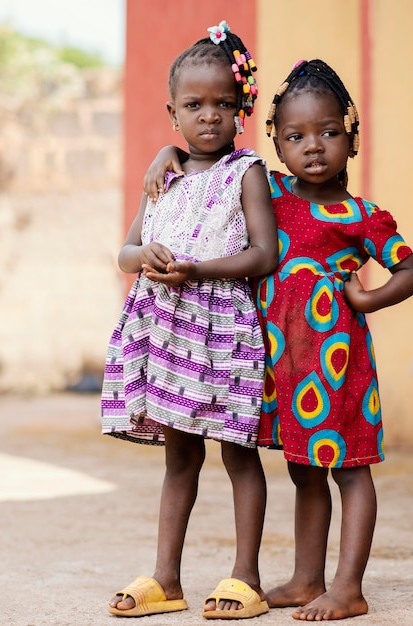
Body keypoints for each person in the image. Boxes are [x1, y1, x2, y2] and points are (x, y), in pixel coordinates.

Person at [143, 58, 413, 621]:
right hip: (282, 371)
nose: (313, 146)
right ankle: (306, 577)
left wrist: (365, 300)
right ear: (276, 143)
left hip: (338, 370)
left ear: (351, 137)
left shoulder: (362, 217)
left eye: (329, 132)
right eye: (296, 136)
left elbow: (409, 269)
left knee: (350, 469)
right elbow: (210, 165)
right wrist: (165, 155)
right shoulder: (271, 195)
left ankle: (348, 586)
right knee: (302, 469)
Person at [101, 20, 278, 620]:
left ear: (240, 110)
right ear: (172, 112)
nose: (210, 116)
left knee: (237, 454)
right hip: (168, 337)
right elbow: (125, 252)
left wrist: (201, 270)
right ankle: (166, 578)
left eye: (224, 104)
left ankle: (246, 577)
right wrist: (143, 259)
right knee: (180, 459)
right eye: (195, 105)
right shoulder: (164, 175)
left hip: (222, 335)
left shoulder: (245, 171)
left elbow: (263, 252)